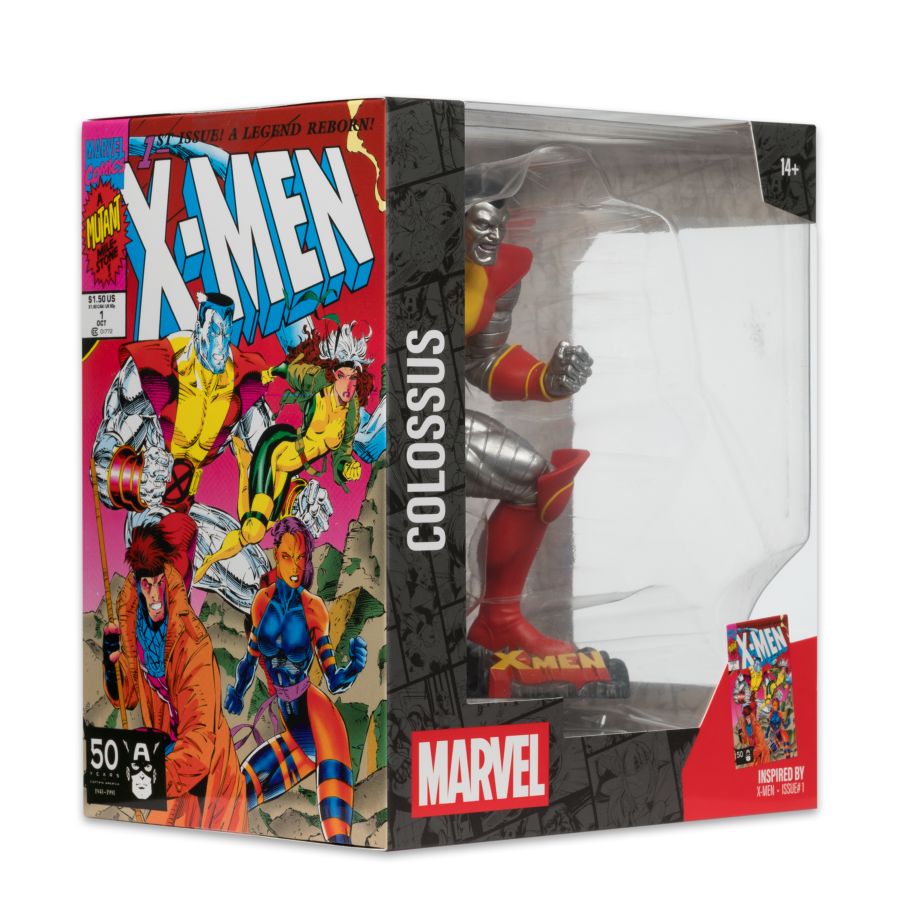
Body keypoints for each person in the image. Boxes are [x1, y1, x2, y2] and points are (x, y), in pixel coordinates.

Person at [464, 176, 594, 656]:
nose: (494, 234)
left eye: (500, 223)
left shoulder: (499, 272)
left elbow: (482, 360)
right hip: (362, 411)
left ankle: (498, 622)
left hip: (431, 418)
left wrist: (547, 379)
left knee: (539, 483)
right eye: (483, 222)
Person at [92, 292, 274, 609]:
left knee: (260, 586)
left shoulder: (241, 383)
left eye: (227, 332)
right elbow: (101, 459)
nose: (220, 345)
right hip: (148, 513)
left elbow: (270, 458)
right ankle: (163, 633)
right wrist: (136, 477)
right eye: (214, 331)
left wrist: (299, 495)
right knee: (175, 543)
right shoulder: (154, 370)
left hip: (187, 508)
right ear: (199, 326)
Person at [194, 320, 374, 583]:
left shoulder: (352, 412)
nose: (348, 385)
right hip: (276, 451)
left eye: (353, 378)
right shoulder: (318, 383)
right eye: (341, 376)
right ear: (332, 374)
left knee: (264, 526)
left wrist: (347, 467)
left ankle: (244, 463)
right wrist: (271, 372)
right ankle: (209, 561)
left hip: (290, 469)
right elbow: (292, 372)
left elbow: (342, 453)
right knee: (253, 532)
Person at [225, 516, 367, 844]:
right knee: (236, 797)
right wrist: (238, 690)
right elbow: (250, 657)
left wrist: (352, 668)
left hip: (320, 721)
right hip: (296, 730)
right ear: (276, 554)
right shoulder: (262, 603)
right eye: (288, 556)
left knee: (338, 836)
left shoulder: (314, 609)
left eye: (301, 557)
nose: (295, 566)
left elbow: (334, 679)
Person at [101, 516, 248, 831]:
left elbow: (199, 741)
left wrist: (147, 779)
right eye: (147, 585)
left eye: (160, 584)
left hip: (205, 773)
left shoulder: (193, 644)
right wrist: (113, 669)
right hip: (165, 753)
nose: (154, 596)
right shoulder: (136, 625)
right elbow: (130, 696)